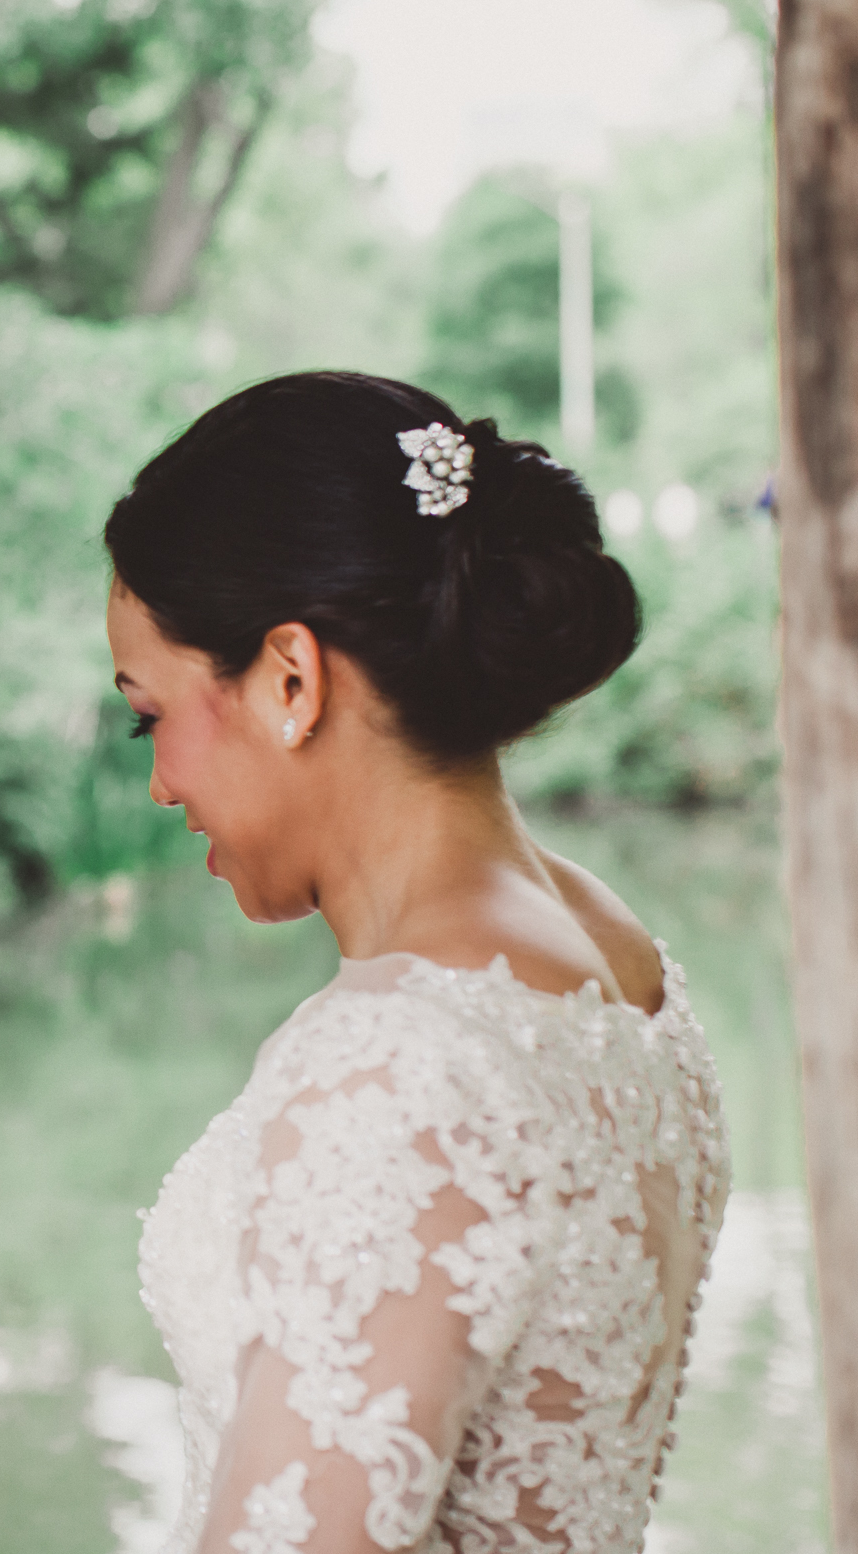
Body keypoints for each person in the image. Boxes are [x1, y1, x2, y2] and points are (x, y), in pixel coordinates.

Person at [107, 373, 728, 1553]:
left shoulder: (396, 1060)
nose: (158, 783)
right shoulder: (619, 959)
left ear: (291, 678)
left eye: (152, 714)